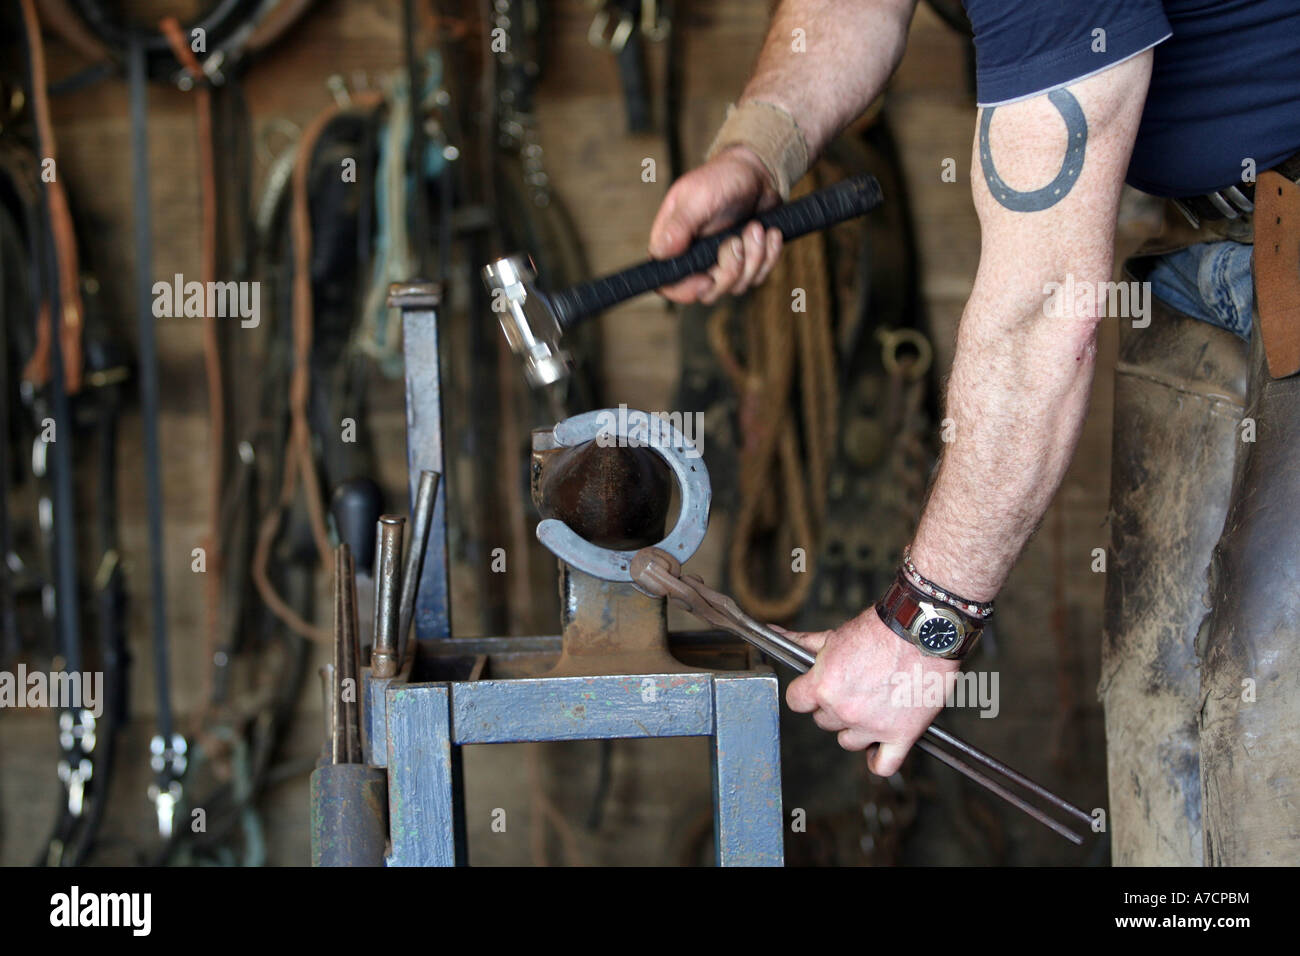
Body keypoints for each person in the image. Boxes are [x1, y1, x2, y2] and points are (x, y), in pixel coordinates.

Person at [647, 0, 1300, 865]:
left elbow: (1044, 307)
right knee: (1159, 719)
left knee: (1270, 734)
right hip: (1213, 254)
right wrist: (759, 149)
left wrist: (921, 627)